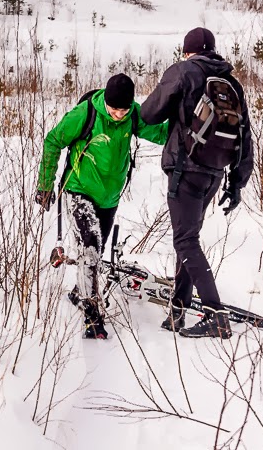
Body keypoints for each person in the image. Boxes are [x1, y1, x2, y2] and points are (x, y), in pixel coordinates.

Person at [140, 27, 253, 339]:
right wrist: (237, 182)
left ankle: (215, 314)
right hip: (215, 174)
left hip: (184, 170)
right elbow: (245, 135)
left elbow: (150, 114)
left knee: (185, 240)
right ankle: (178, 307)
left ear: (187, 50)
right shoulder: (231, 83)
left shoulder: (183, 71)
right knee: (186, 236)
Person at [36, 74, 168, 339]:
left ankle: (78, 291)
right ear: (105, 101)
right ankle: (91, 314)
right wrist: (45, 183)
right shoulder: (85, 114)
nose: (118, 114)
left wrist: (188, 123)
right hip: (78, 189)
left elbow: (160, 134)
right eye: (113, 109)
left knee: (95, 251)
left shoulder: (133, 115)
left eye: (123, 109)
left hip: (109, 198)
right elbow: (53, 140)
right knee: (90, 247)